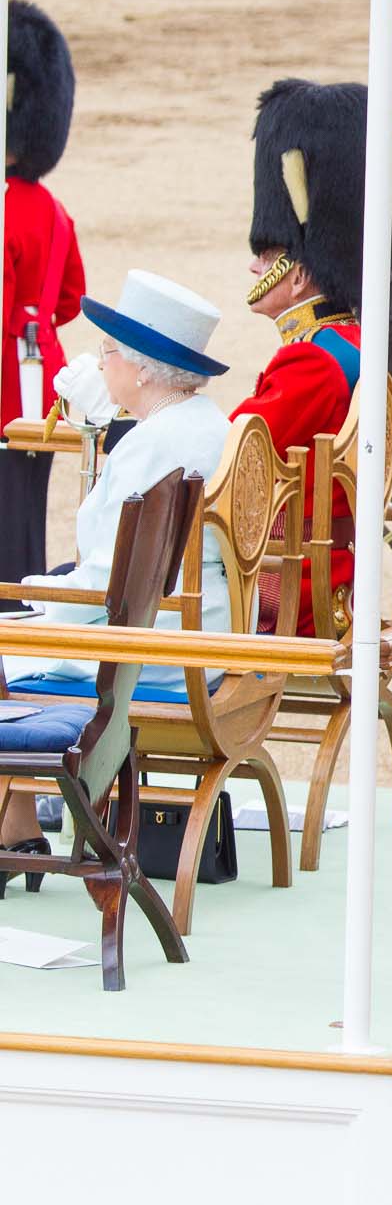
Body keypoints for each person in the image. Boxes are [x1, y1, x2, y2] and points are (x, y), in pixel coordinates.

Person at [0, 270, 231, 870]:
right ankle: (18, 820)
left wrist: (30, 594)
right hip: (198, 628)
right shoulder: (206, 422)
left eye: (107, 354)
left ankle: (17, 822)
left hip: (151, 645)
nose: (101, 365)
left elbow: (102, 589)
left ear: (144, 368)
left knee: (8, 652)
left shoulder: (152, 445)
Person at [239, 78, 392, 630]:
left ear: (301, 271)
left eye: (267, 255)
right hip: (324, 576)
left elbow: (232, 458)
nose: (255, 268)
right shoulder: (352, 343)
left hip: (287, 589)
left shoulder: (309, 361)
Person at [0, 0, 85, 611]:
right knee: (23, 517)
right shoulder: (50, 206)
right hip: (40, 377)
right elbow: (70, 297)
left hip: (5, 376)